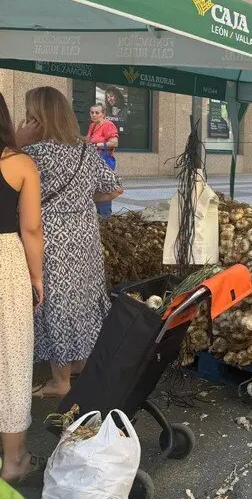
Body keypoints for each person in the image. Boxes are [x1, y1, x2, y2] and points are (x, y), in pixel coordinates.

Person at [16, 87, 123, 399]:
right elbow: (114, 187)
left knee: (53, 303)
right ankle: (81, 368)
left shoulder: (31, 153)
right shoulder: (84, 149)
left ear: (36, 115)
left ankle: (60, 382)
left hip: (49, 235)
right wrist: (82, 200)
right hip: (85, 233)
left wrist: (16, 143)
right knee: (84, 298)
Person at [0, 92, 45, 484]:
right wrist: (36, 278)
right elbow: (31, 229)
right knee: (11, 359)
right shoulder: (20, 165)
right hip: (5, 264)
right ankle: (14, 461)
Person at [86, 104, 119, 217]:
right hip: (93, 162)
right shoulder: (92, 126)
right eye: (92, 112)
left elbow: (114, 143)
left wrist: (96, 145)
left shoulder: (108, 125)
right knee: (94, 189)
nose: (94, 115)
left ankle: (105, 217)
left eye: (97, 112)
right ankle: (98, 216)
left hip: (104, 163)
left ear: (103, 114)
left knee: (104, 188)